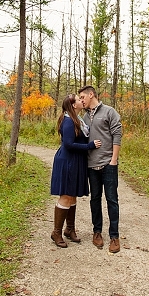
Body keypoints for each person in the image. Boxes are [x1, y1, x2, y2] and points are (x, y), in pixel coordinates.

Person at [50, 94, 101, 248]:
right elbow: (68, 144)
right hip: (67, 161)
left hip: (76, 161)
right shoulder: (67, 121)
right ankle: (56, 232)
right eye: (78, 100)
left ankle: (69, 229)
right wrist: (89, 146)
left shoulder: (78, 120)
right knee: (66, 196)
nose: (81, 101)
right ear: (73, 105)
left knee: (72, 197)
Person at [78, 85, 123, 253]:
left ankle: (114, 236)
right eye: (80, 98)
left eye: (83, 97)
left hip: (108, 163)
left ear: (91, 95)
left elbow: (117, 134)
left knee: (112, 199)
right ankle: (97, 232)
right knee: (95, 199)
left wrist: (113, 160)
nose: (81, 100)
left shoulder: (109, 112)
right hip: (91, 165)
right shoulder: (84, 117)